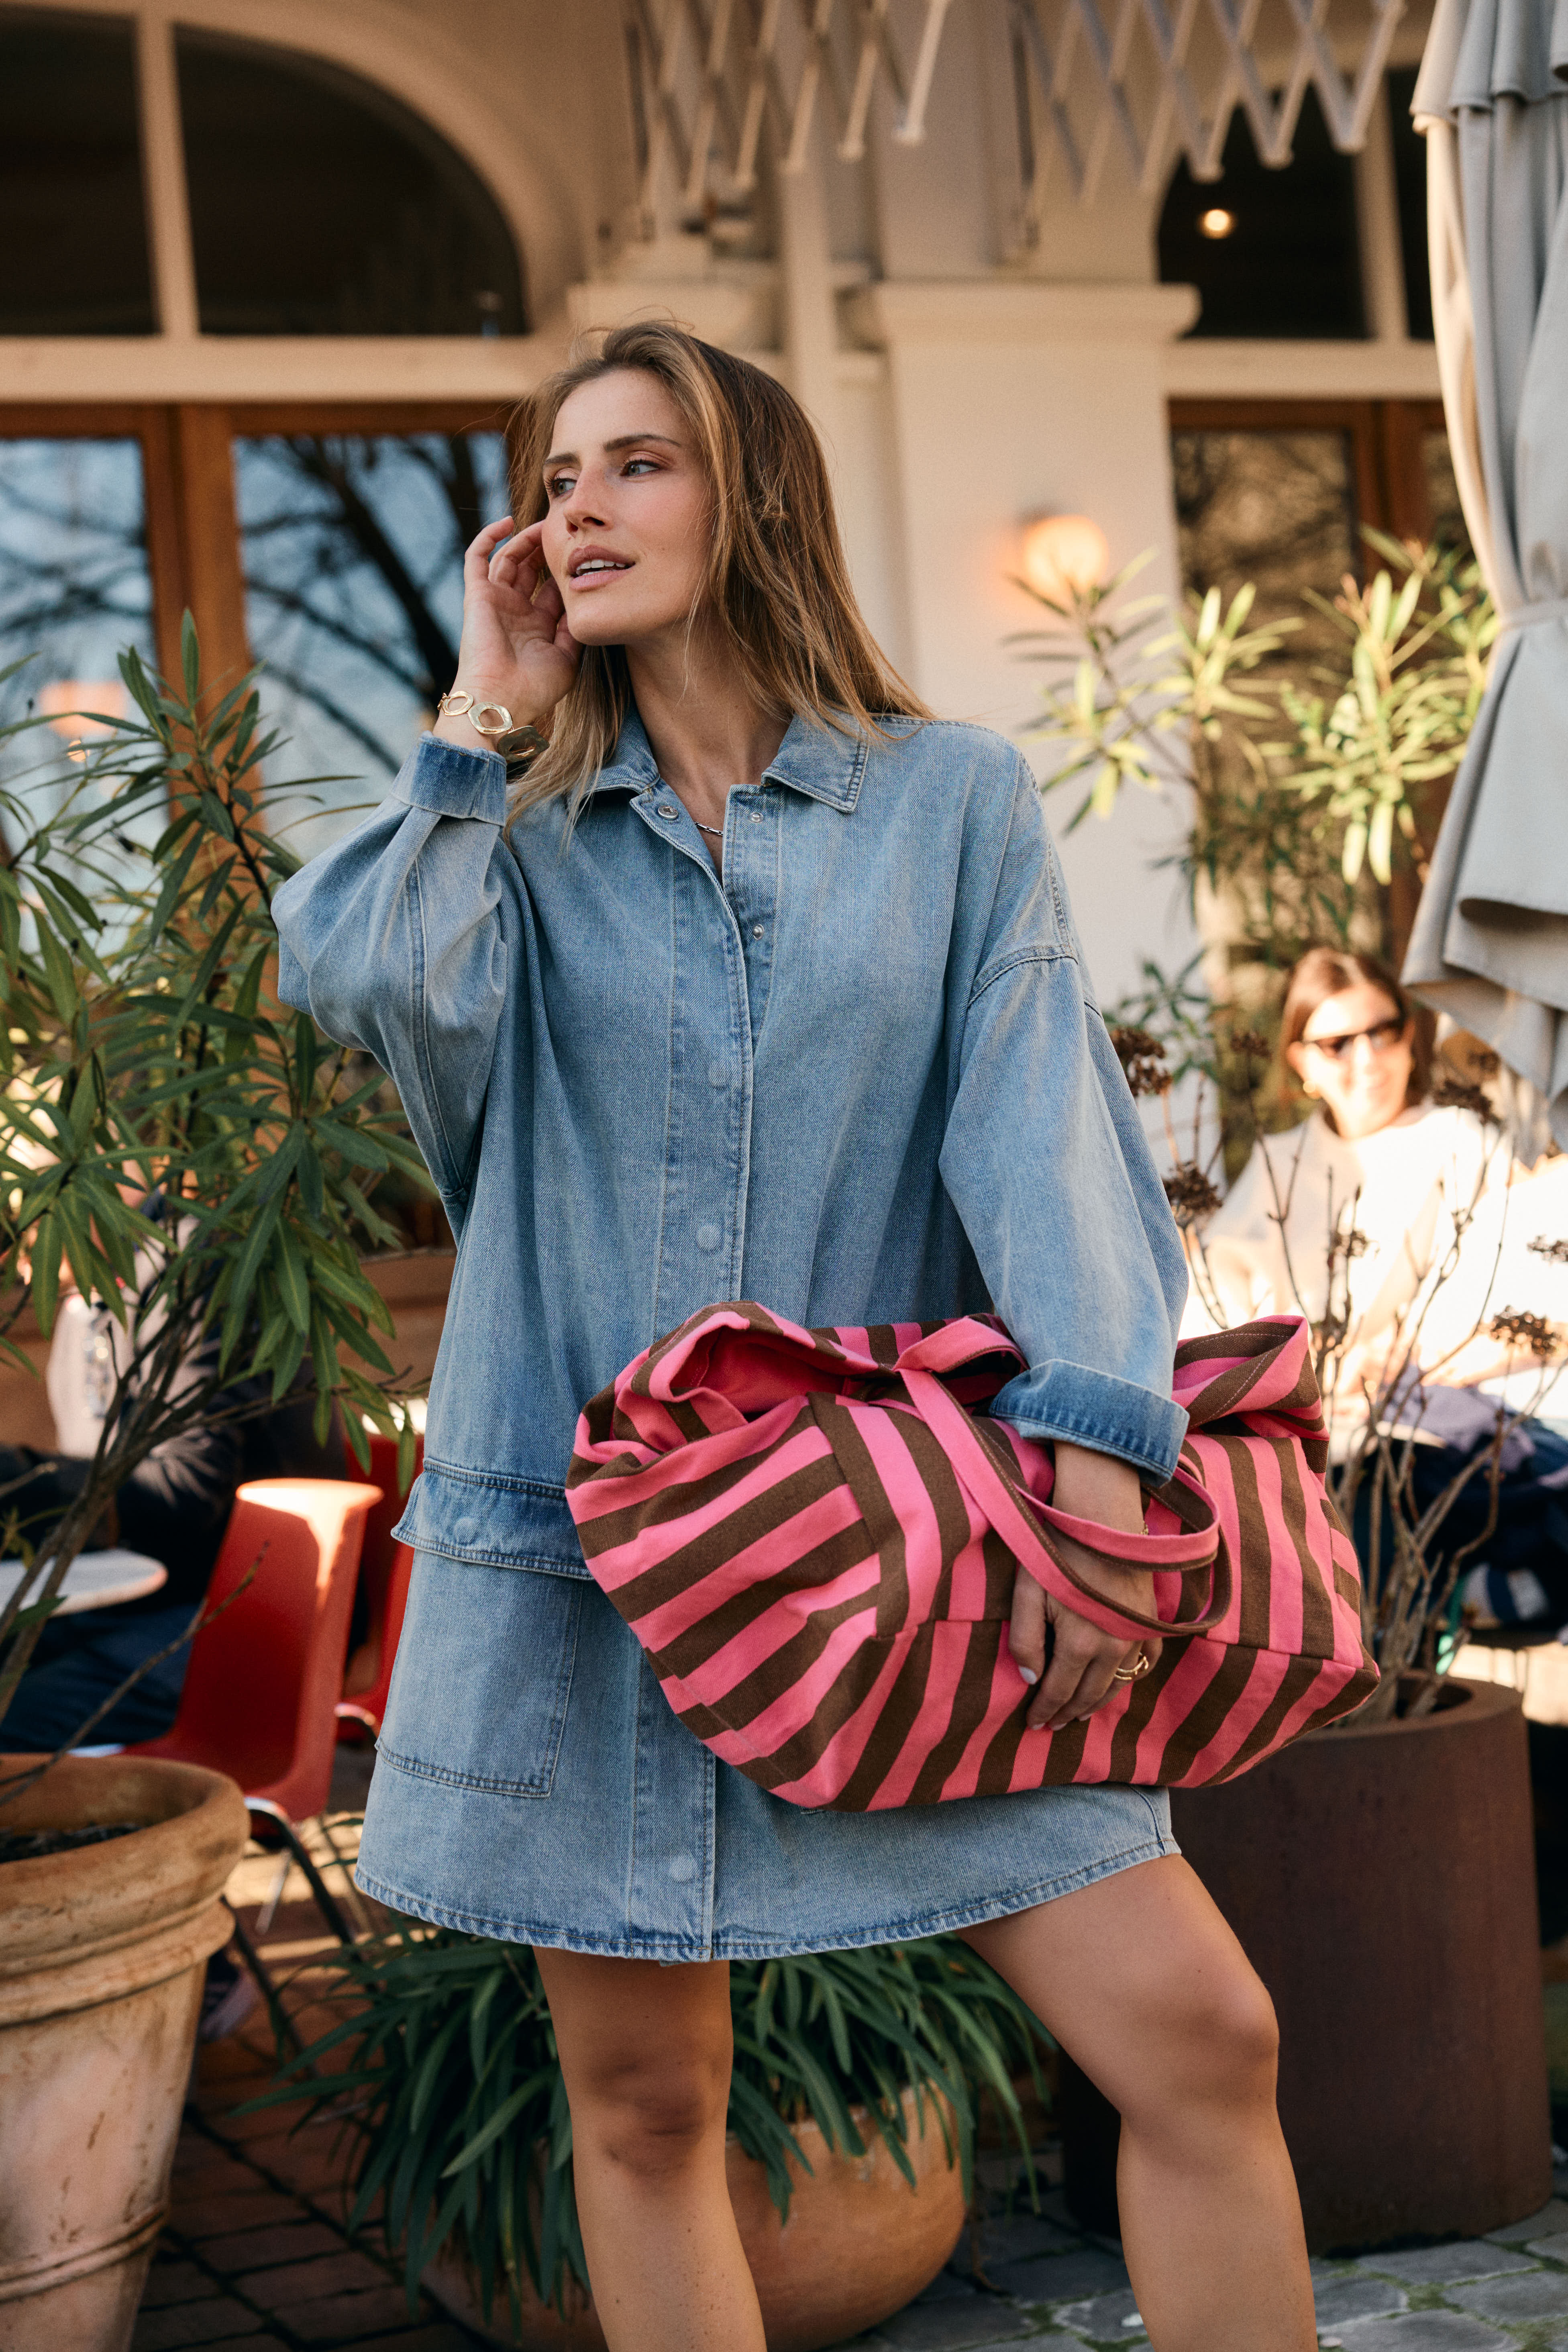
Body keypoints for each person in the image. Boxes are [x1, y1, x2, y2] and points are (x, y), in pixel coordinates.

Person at [274, 323, 1315, 2352]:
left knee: (1203, 2035)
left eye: (635, 463)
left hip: (901, 1549)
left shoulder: (948, 804)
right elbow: (364, 978)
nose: (577, 509)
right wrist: (486, 704)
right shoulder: (510, 839)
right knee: (648, 2103)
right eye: (556, 478)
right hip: (590, 1568)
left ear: (750, 497)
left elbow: (1044, 1131)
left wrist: (1100, 1454)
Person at [1186, 947, 1568, 1625]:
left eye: (1382, 1031)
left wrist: (1404, 1358)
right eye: (1337, 1043)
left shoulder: (1458, 1139)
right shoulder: (1279, 1163)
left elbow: (1503, 1286)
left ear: (1408, 1033)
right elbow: (1214, 1308)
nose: (1366, 1058)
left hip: (1416, 1414)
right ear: (1301, 1062)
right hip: (1293, 1419)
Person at [0, 1191, 346, 1756]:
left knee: (12, 1717)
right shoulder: (92, 1302)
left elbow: (183, 1490)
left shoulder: (197, 1269)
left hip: (242, 1612)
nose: (17, 1247)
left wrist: (20, 1479)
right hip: (146, 1594)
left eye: (23, 1210)